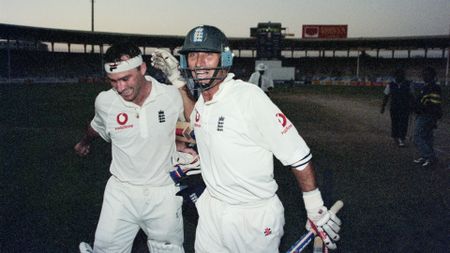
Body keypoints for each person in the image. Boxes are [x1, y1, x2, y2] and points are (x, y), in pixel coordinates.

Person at [156, 25, 342, 252]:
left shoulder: (249, 98)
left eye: (208, 55)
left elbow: (297, 155)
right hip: (211, 211)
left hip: (253, 217)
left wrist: (314, 207)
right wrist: (178, 83)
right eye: (193, 55)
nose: (199, 62)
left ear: (224, 58)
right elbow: (195, 119)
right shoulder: (204, 102)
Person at [74, 42, 196, 253]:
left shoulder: (169, 95)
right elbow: (96, 127)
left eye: (125, 78)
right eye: (113, 81)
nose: (120, 88)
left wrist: (179, 82)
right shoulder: (105, 102)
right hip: (121, 192)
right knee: (106, 250)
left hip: (164, 192)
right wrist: (84, 142)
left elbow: (195, 123)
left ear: (142, 69)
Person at [412, 67, 442, 167]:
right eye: (423, 74)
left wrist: (433, 119)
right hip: (423, 115)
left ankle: (429, 156)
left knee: (417, 137)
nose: (424, 76)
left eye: (427, 74)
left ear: (432, 76)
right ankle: (427, 157)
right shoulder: (426, 86)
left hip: (427, 116)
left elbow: (434, 105)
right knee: (427, 137)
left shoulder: (434, 87)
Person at [380, 68, 413, 147]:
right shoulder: (390, 84)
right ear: (396, 76)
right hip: (394, 107)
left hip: (405, 107)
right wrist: (383, 107)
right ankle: (395, 136)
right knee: (395, 122)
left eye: (402, 75)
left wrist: (412, 106)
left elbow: (412, 96)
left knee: (403, 123)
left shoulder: (408, 84)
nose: (401, 76)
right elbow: (386, 96)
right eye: (399, 75)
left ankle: (401, 139)